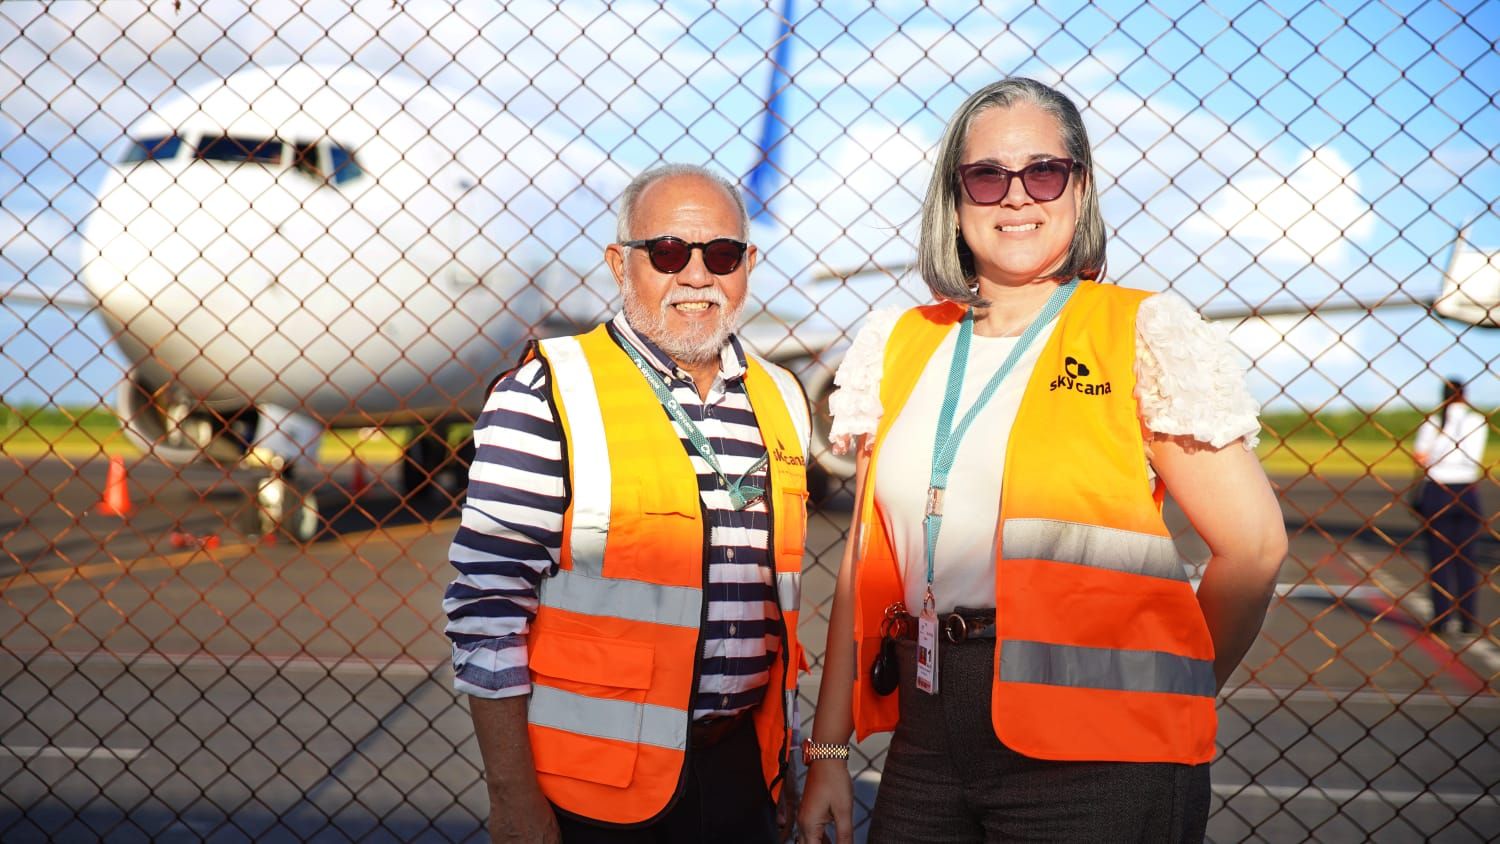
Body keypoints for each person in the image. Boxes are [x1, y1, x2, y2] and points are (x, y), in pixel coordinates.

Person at [796, 77, 1288, 843]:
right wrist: (828, 752)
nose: (1016, 197)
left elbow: (1255, 548)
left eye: (1044, 172)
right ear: (954, 201)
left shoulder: (1137, 331)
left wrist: (1166, 696)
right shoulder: (899, 344)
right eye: (987, 176)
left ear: (1080, 186)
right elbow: (865, 562)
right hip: (928, 738)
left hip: (1101, 758)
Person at [443, 164, 812, 843]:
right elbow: (486, 614)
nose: (696, 276)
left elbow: (780, 632)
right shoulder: (547, 394)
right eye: (668, 252)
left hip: (743, 777)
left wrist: (818, 763)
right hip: (595, 798)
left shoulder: (782, 398)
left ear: (748, 264)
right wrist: (513, 799)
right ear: (620, 263)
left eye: (722, 254)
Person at [1413, 377, 1490, 636]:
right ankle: (1468, 618)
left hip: (1437, 490)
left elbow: (1420, 458)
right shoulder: (1477, 421)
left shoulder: (1433, 423)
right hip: (1467, 490)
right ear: (1464, 396)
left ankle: (1442, 617)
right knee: (1466, 557)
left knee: (1439, 558)